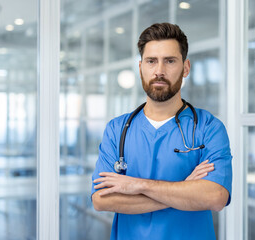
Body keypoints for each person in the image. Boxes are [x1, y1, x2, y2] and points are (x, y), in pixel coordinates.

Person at [91, 22, 232, 240]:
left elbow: (215, 197)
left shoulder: (209, 128)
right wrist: (185, 190)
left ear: (186, 68)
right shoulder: (117, 130)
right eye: (151, 61)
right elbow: (101, 199)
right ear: (140, 68)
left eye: (170, 61)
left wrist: (137, 185)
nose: (159, 71)